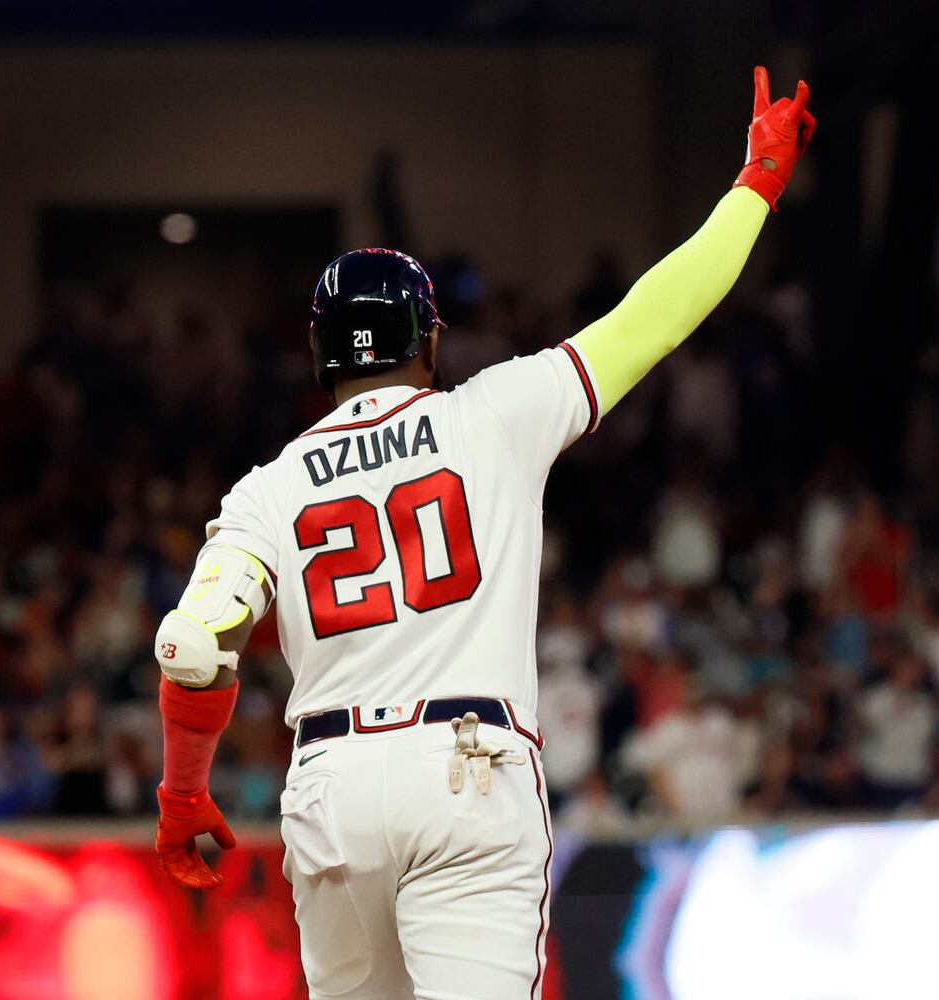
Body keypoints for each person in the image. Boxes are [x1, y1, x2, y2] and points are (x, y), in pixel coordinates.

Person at [151, 66, 815, 1000]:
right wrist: (756, 185)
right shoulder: (495, 412)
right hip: (467, 767)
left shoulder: (268, 489)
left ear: (319, 354)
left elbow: (195, 646)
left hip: (333, 787)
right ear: (429, 340)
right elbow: (656, 318)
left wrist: (183, 792)